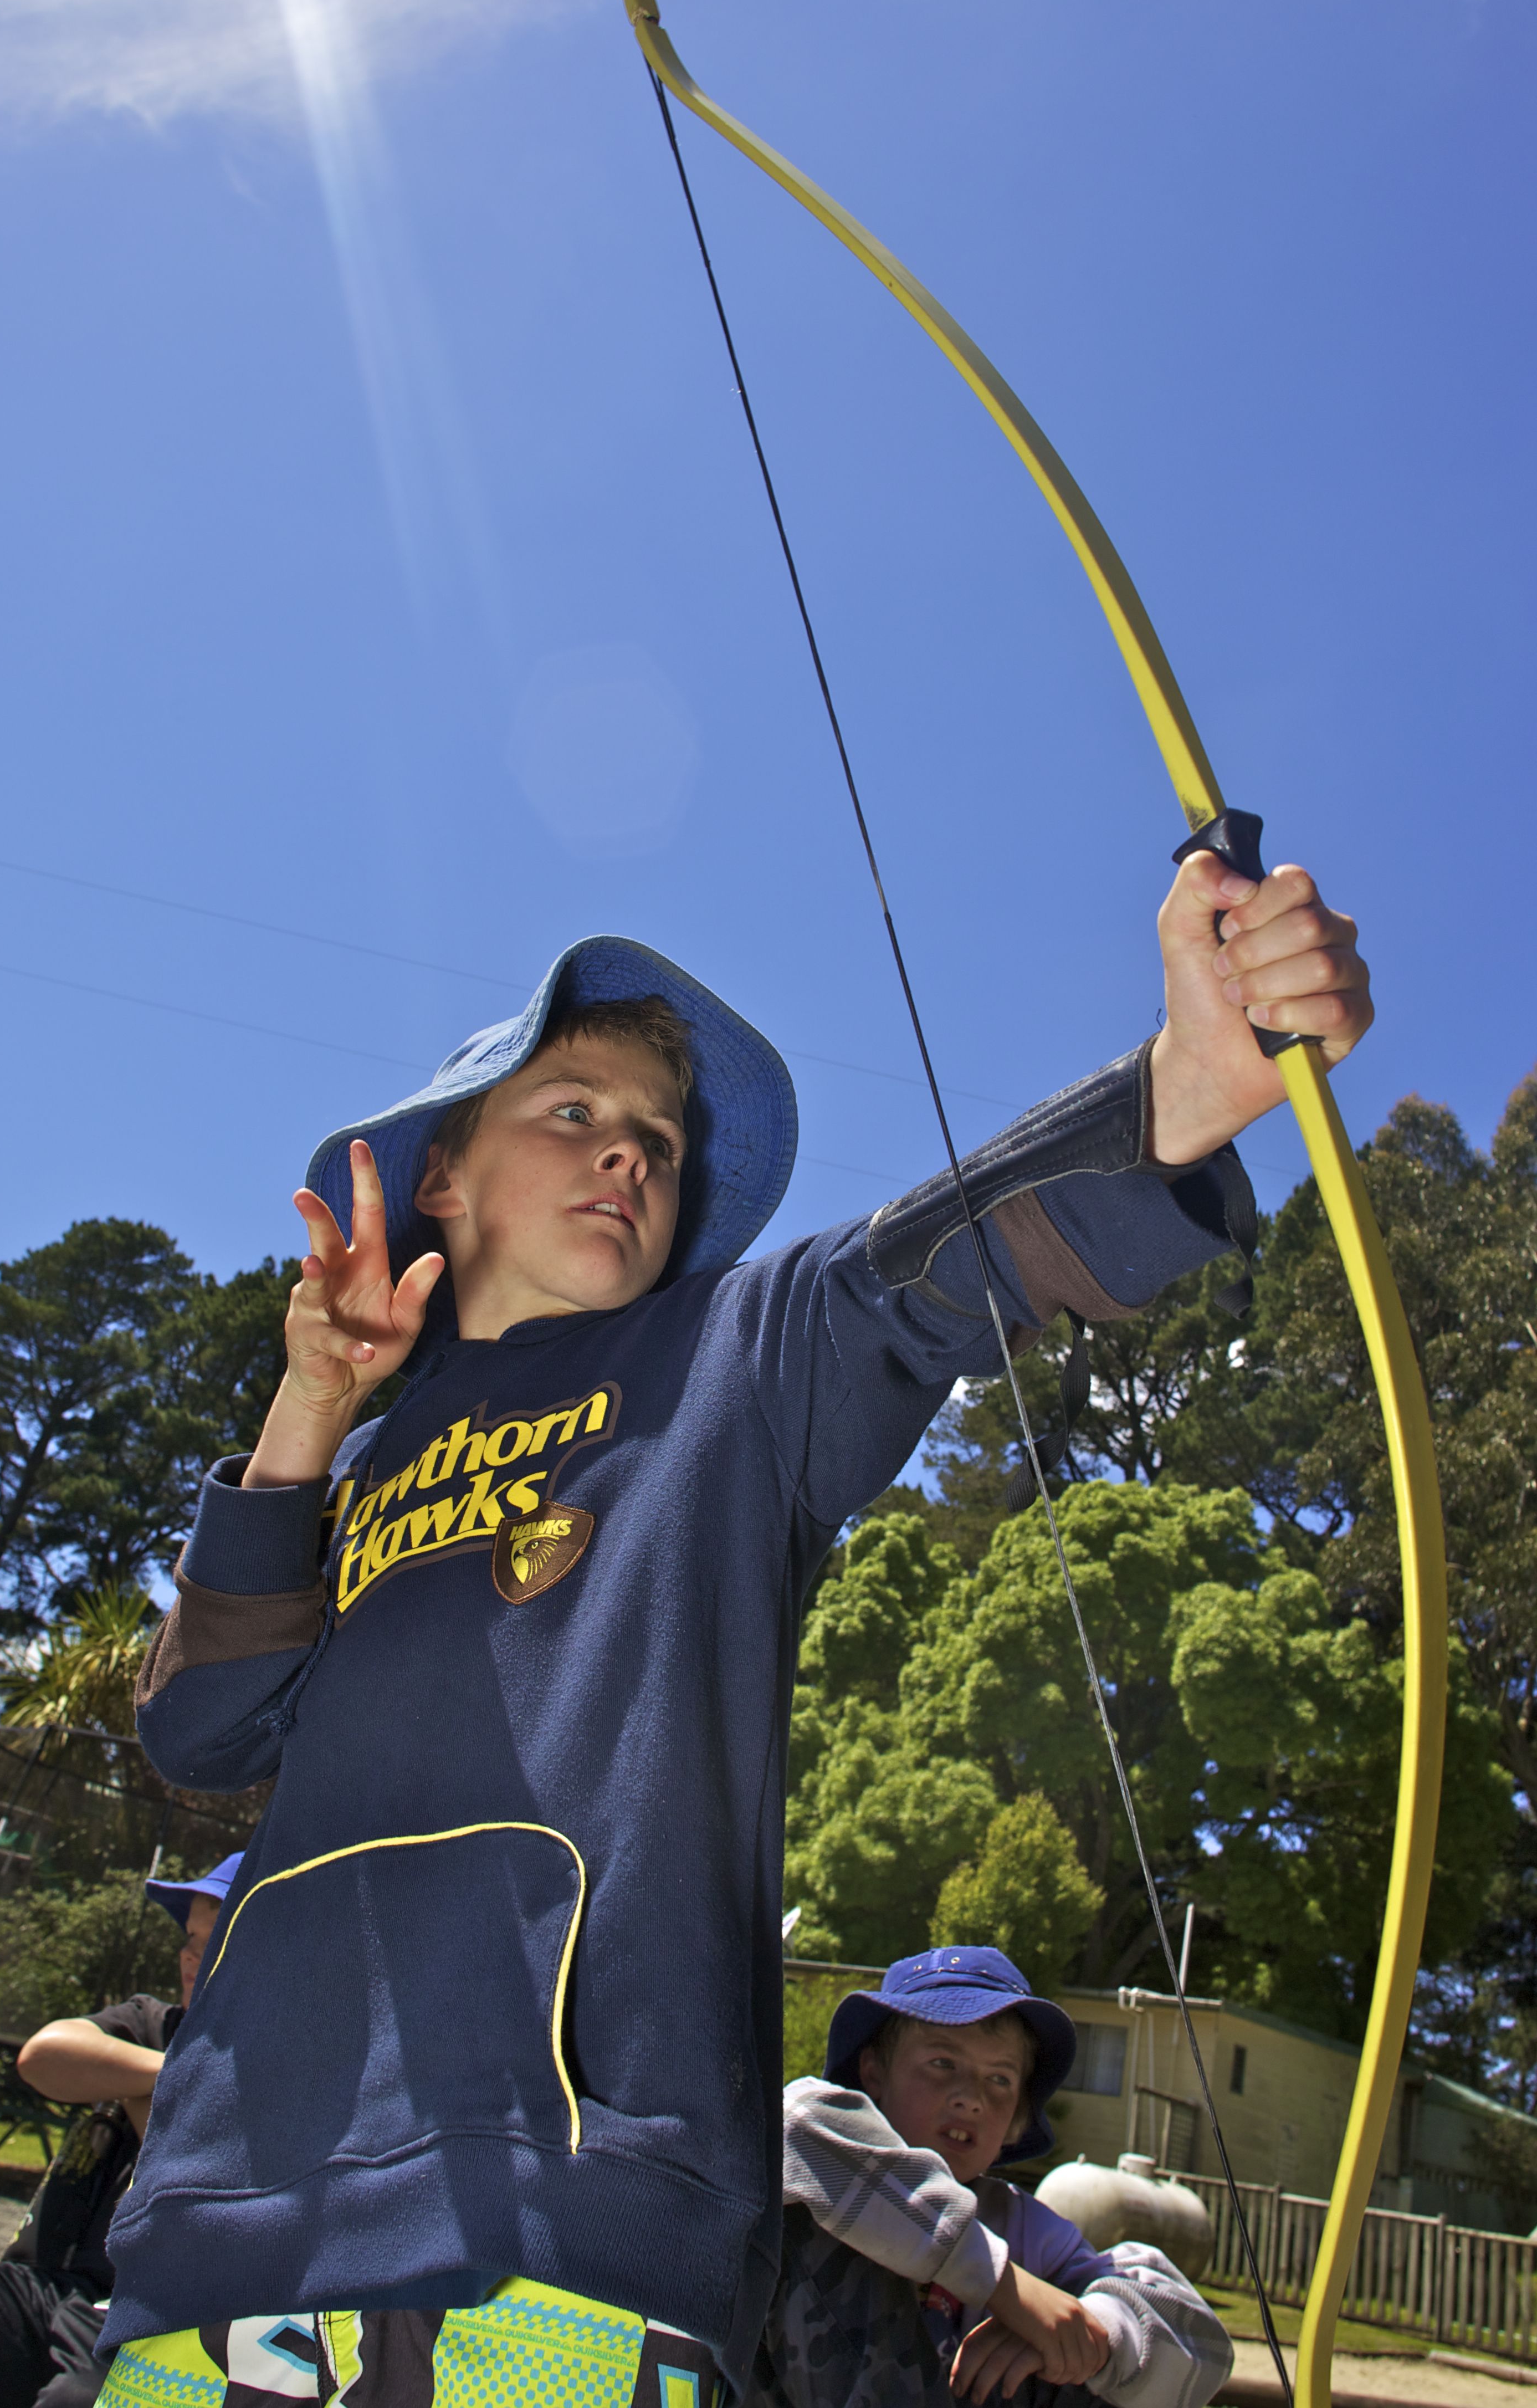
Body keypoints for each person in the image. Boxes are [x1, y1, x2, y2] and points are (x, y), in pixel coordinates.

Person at [96, 858, 1371, 2405]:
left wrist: (1184, 1083)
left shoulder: (734, 1357)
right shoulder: (348, 1468)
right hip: (216, 2233)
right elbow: (201, 1730)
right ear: (443, 1176)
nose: (629, 1154)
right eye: (574, 1109)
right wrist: (308, 1409)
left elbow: (924, 1274)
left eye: (660, 1139)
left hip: (559, 2247)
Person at [758, 1948, 1233, 2408]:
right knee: (810, 2217)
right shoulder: (815, 2159)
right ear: (874, 2073)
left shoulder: (1024, 2228)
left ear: (1017, 2116)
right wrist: (1005, 2287)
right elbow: (793, 2123)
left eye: (1000, 2079)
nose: (971, 2097)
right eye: (943, 2063)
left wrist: (1090, 2330)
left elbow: (1206, 2348)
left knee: (1102, 2348)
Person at [0, 1855, 238, 2408]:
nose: (191, 1954)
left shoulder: (265, 2074)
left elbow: (184, 2179)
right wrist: (171, 2074)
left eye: (214, 1941)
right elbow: (45, 2056)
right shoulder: (152, 2023)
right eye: (190, 1937)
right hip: (39, 2287)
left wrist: (128, 2080)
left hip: (140, 2318)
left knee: (75, 2399)